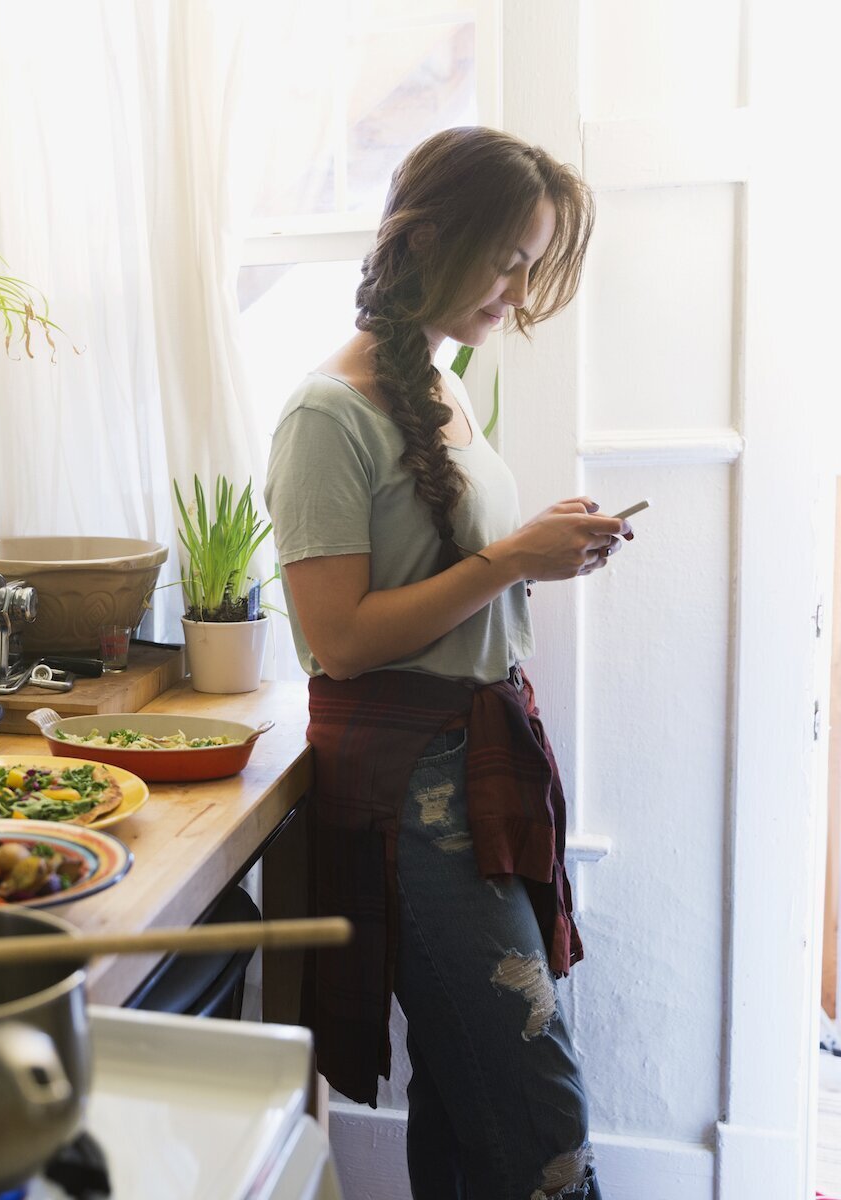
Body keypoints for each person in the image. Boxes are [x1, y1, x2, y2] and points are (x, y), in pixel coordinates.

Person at [264, 126, 626, 1200]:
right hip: (416, 788)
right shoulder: (325, 414)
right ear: (425, 239)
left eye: (533, 262)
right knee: (534, 1102)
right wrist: (511, 556)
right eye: (507, 258)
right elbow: (341, 639)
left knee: (474, 1104)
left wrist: (531, 546)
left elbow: (444, 572)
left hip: (472, 763)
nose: (518, 289)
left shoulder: (443, 382)